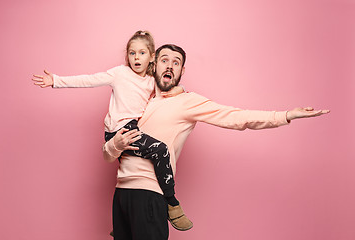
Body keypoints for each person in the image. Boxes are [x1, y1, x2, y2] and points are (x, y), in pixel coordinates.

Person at [103, 44, 330, 240]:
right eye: (164, 60)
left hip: (150, 195)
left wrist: (285, 115)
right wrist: (115, 145)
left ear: (182, 71)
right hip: (121, 194)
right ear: (154, 66)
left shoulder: (188, 102)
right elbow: (107, 155)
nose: (170, 66)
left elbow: (236, 117)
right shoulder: (139, 99)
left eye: (176, 62)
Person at [31, 31, 193, 231]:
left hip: (133, 130)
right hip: (118, 131)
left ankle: (123, 226)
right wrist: (56, 80)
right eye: (132, 53)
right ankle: (172, 203)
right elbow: (89, 80)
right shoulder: (120, 74)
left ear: (152, 57)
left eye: (142, 53)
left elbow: (167, 91)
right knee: (160, 150)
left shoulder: (152, 81)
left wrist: (182, 90)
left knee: (140, 162)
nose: (136, 58)